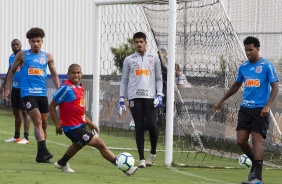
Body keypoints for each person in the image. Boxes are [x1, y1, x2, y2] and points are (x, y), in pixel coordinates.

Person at [49, 64, 138, 175]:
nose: (76, 75)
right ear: (68, 74)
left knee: (77, 146)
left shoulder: (80, 87)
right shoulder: (65, 88)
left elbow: (79, 111)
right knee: (99, 143)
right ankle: (125, 168)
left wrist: (90, 123)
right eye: (73, 73)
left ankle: (62, 163)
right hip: (71, 127)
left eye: (78, 72)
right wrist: (57, 125)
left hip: (80, 125)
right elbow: (52, 106)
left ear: (81, 74)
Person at [214, 36, 279, 184]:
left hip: (260, 109)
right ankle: (255, 164)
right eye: (246, 50)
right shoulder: (243, 67)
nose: (248, 53)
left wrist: (268, 105)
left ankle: (258, 178)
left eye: (250, 49)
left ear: (258, 49)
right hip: (245, 108)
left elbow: (275, 86)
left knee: (256, 140)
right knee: (241, 140)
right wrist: (222, 100)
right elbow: (237, 85)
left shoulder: (266, 66)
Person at [4, 27, 60, 163]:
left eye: (38, 41)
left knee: (45, 124)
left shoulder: (47, 57)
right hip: (28, 93)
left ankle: (41, 155)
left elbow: (53, 73)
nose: (36, 44)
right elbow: (11, 71)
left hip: (42, 93)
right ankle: (44, 150)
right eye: (33, 41)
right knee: (38, 121)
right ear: (29, 42)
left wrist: (59, 88)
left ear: (42, 42)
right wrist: (7, 88)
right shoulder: (22, 55)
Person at [118, 32, 163, 168]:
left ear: (145, 43)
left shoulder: (154, 58)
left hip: (150, 97)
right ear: (134, 44)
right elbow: (124, 80)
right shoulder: (129, 60)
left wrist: (160, 94)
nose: (139, 44)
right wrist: (121, 98)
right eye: (136, 42)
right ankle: (142, 159)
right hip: (134, 97)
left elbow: (159, 78)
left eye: (141, 42)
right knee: (139, 126)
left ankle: (153, 153)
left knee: (152, 126)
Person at [0, 39, 31, 144]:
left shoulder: (25, 55)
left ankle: (26, 137)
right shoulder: (11, 57)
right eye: (13, 45)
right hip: (15, 87)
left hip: (24, 88)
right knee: (15, 111)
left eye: (17, 44)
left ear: (21, 45)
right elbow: (9, 72)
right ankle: (16, 136)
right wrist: (4, 87)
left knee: (24, 111)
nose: (15, 46)